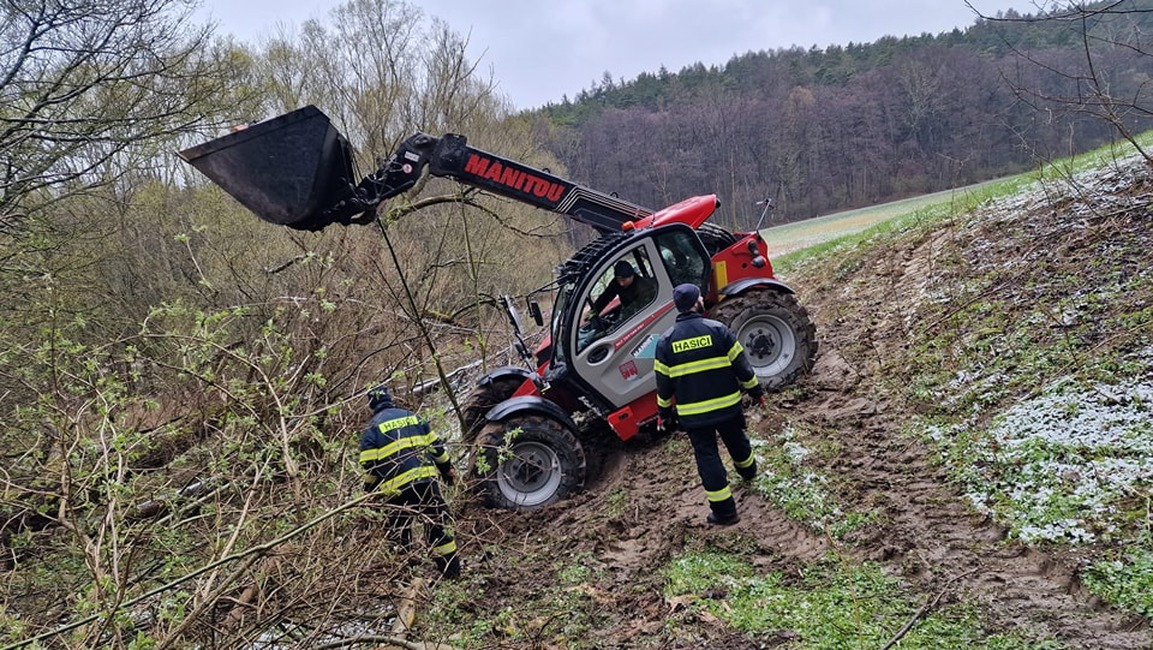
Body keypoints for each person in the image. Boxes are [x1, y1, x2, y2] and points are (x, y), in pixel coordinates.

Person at [653, 283, 765, 526]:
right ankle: (749, 472)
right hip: (728, 406)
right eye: (700, 297)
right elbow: (742, 367)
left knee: (708, 458)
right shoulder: (718, 330)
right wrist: (756, 391)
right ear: (696, 303)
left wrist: (663, 413)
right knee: (737, 441)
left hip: (695, 416)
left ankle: (725, 513)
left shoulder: (665, 342)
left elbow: (663, 386)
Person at [359, 384, 461, 578]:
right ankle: (451, 573)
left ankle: (407, 578)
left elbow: (370, 468)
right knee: (438, 526)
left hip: (397, 493)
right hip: (427, 484)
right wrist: (447, 470)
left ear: (371, 404)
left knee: (399, 535)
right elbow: (437, 449)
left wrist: (368, 493)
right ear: (390, 399)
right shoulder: (412, 417)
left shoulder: (372, 429)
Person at [588, 260, 658, 323]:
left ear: (631, 276)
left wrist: (617, 324)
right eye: (618, 280)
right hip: (626, 310)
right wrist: (591, 314)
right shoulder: (616, 283)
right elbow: (605, 298)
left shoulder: (645, 288)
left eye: (624, 280)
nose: (621, 283)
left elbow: (633, 310)